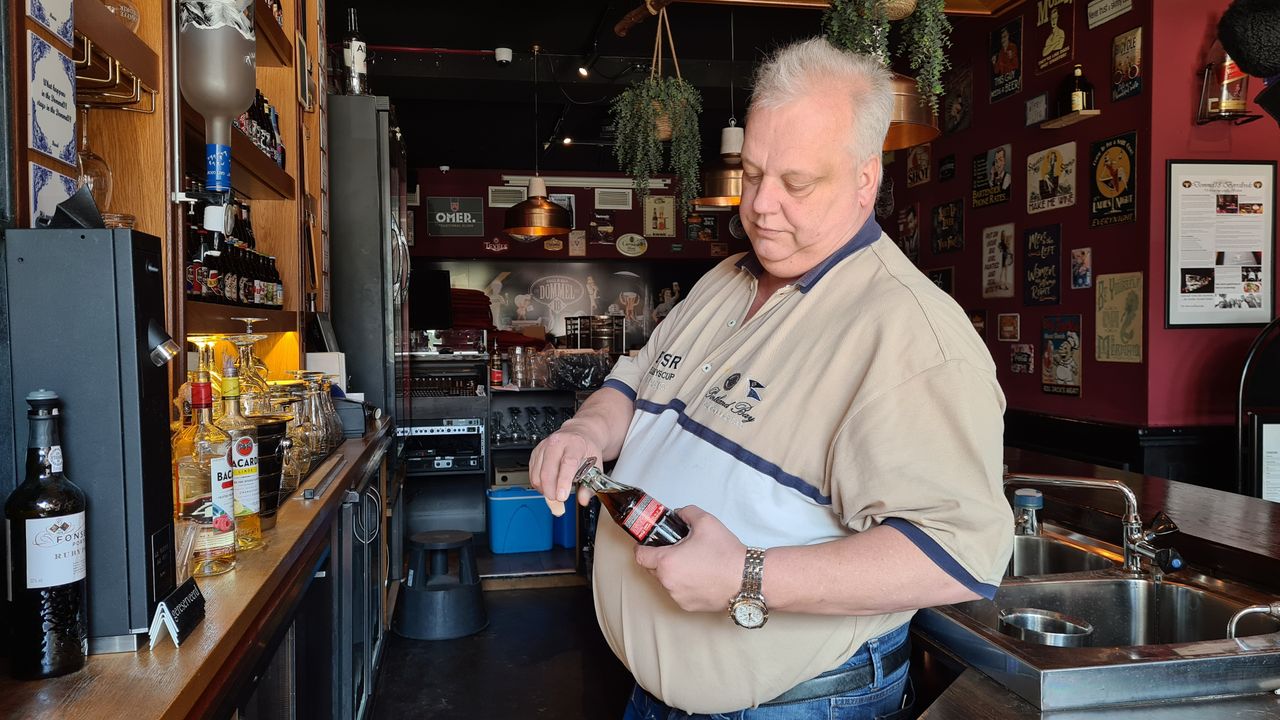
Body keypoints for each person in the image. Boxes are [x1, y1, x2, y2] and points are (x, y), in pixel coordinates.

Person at [530, 37, 1011, 718]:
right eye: (753, 173)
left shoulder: (909, 331)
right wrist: (586, 430)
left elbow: (958, 556)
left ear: (865, 179)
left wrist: (745, 575)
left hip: (792, 703)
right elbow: (635, 382)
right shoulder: (725, 280)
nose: (759, 206)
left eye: (796, 182)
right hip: (657, 693)